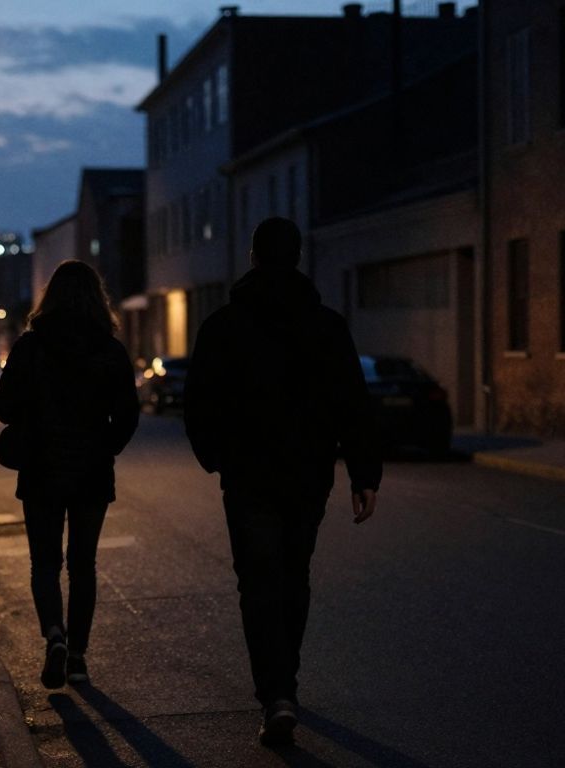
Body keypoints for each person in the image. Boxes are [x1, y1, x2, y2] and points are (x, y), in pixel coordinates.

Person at [183, 217, 381, 747]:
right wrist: (363, 474)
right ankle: (284, 684)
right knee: (294, 575)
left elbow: (198, 398)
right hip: (306, 472)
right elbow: (352, 404)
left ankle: (276, 693)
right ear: (296, 258)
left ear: (252, 258)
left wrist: (215, 456)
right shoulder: (326, 326)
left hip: (248, 475)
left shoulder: (224, 326)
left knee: (257, 581)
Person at [0, 260, 139, 689]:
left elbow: (4, 407)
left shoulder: (30, 347)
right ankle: (77, 656)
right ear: (98, 297)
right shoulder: (110, 350)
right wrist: (103, 446)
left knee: (44, 562)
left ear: (50, 296)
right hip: (91, 471)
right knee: (83, 565)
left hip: (41, 468)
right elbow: (127, 415)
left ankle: (53, 634)